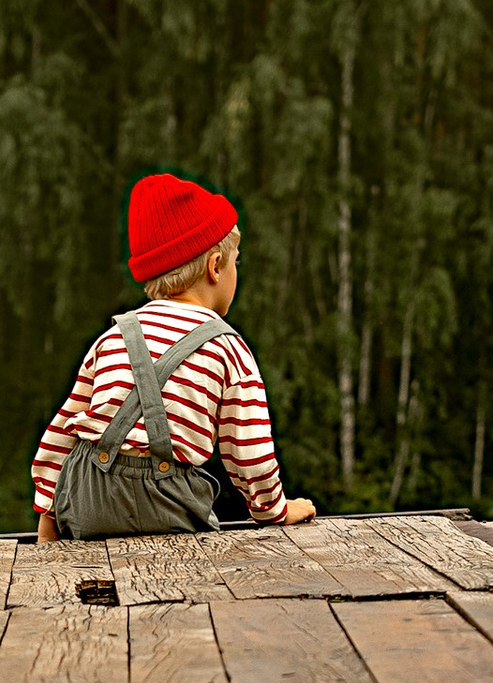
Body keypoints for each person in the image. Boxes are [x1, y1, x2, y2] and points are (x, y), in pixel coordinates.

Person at [30, 173, 319, 542]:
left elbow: (64, 428)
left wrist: (48, 513)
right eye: (236, 263)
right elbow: (250, 455)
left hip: (89, 500)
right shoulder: (230, 349)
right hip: (169, 505)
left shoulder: (113, 335)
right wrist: (274, 509)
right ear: (216, 267)